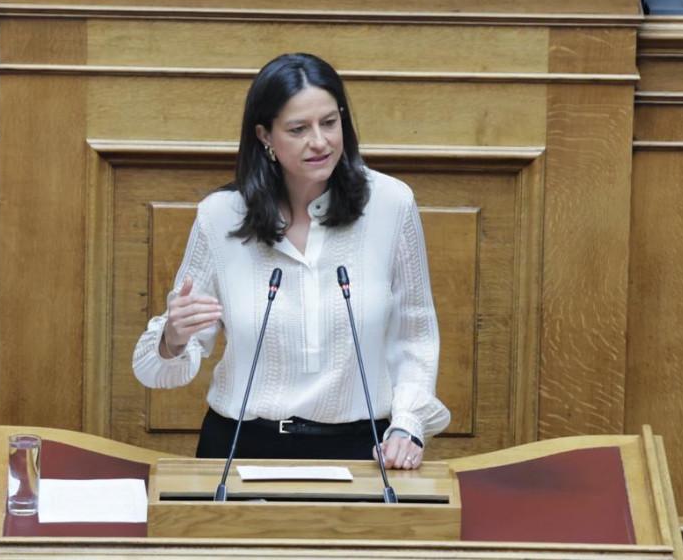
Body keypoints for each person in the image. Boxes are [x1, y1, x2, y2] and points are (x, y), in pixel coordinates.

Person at [132, 53, 450, 470]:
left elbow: (416, 335)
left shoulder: (390, 204)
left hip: (361, 450)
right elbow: (158, 367)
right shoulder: (220, 215)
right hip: (241, 447)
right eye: (298, 129)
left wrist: (408, 425)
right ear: (265, 135)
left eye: (329, 123)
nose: (319, 141)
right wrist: (173, 337)